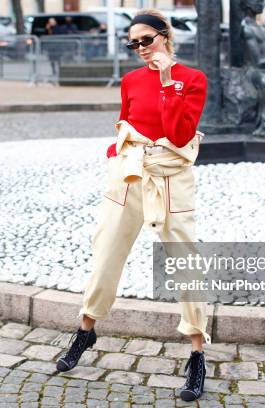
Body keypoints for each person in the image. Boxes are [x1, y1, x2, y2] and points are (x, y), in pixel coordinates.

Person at [55, 9, 211, 402]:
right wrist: (115, 155)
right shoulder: (129, 80)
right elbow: (125, 122)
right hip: (128, 176)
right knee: (105, 252)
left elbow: (179, 132)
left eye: (147, 40)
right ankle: (86, 332)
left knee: (184, 261)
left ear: (165, 36)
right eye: (134, 43)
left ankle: (197, 354)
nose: (140, 48)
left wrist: (166, 81)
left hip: (171, 179)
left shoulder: (192, 79)